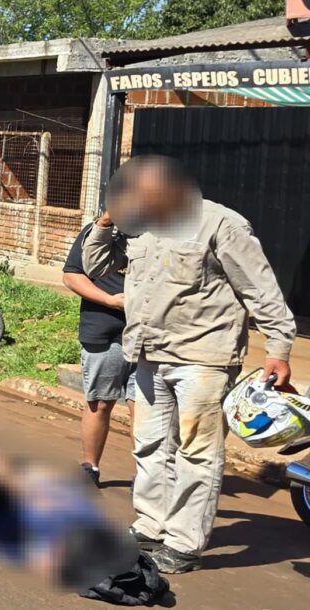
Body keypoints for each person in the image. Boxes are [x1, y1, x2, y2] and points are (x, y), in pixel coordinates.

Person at [82, 155, 296, 573]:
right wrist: (106, 220)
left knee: (196, 452)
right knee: (149, 445)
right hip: (148, 355)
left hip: (202, 357)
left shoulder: (222, 224)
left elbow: (261, 288)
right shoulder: (142, 226)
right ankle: (151, 524)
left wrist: (279, 347)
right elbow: (97, 265)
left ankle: (183, 543)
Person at [62, 224, 136, 486]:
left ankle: (147, 475)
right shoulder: (99, 231)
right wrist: (109, 300)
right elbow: (72, 275)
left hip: (150, 335)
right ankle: (90, 466)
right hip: (104, 330)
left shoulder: (162, 232)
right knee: (100, 402)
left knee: (143, 408)